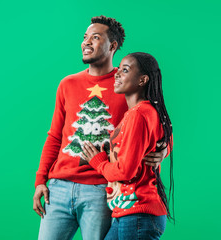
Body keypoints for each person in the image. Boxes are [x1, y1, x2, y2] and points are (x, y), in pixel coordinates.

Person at [33, 16, 167, 240]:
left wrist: (164, 149)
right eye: (85, 37)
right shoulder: (68, 84)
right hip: (59, 187)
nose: (86, 42)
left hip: (101, 189)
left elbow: (157, 122)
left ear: (112, 46)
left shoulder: (127, 82)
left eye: (95, 37)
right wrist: (40, 181)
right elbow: (55, 136)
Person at [81, 52, 174, 240]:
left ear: (142, 80)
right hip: (130, 213)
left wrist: (98, 163)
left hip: (138, 214)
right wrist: (165, 149)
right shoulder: (144, 111)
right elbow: (164, 136)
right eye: (119, 69)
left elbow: (125, 171)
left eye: (125, 70)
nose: (117, 74)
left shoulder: (139, 114)